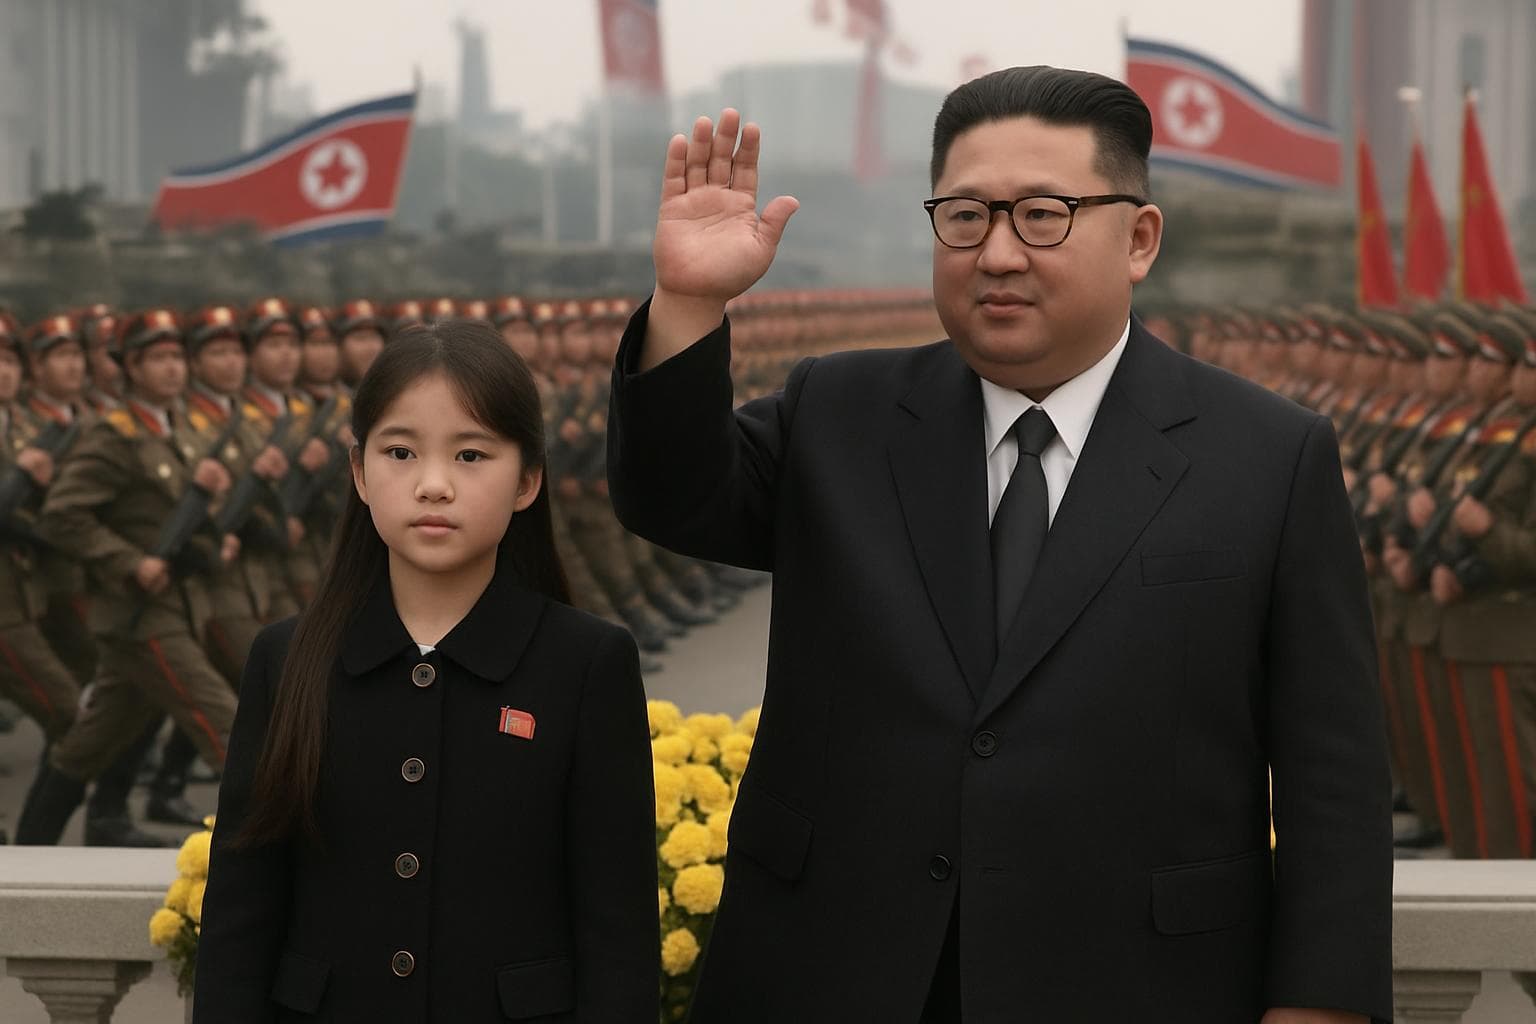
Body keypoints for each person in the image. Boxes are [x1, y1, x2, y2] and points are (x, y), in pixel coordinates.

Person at [606, 68, 1391, 1024]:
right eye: (966, 217)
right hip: (833, 972)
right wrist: (687, 306)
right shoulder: (839, 415)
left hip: (1139, 985)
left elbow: (1334, 775)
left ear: (1139, 239)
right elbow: (669, 495)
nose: (999, 253)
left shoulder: (1267, 457)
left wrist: (1322, 1005)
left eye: (1044, 215)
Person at [194, 320, 657, 1023]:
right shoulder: (287, 661)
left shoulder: (586, 663)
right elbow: (239, 919)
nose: (433, 485)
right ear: (359, 472)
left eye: (472, 455)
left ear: (528, 478)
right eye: (401, 452)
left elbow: (617, 932)